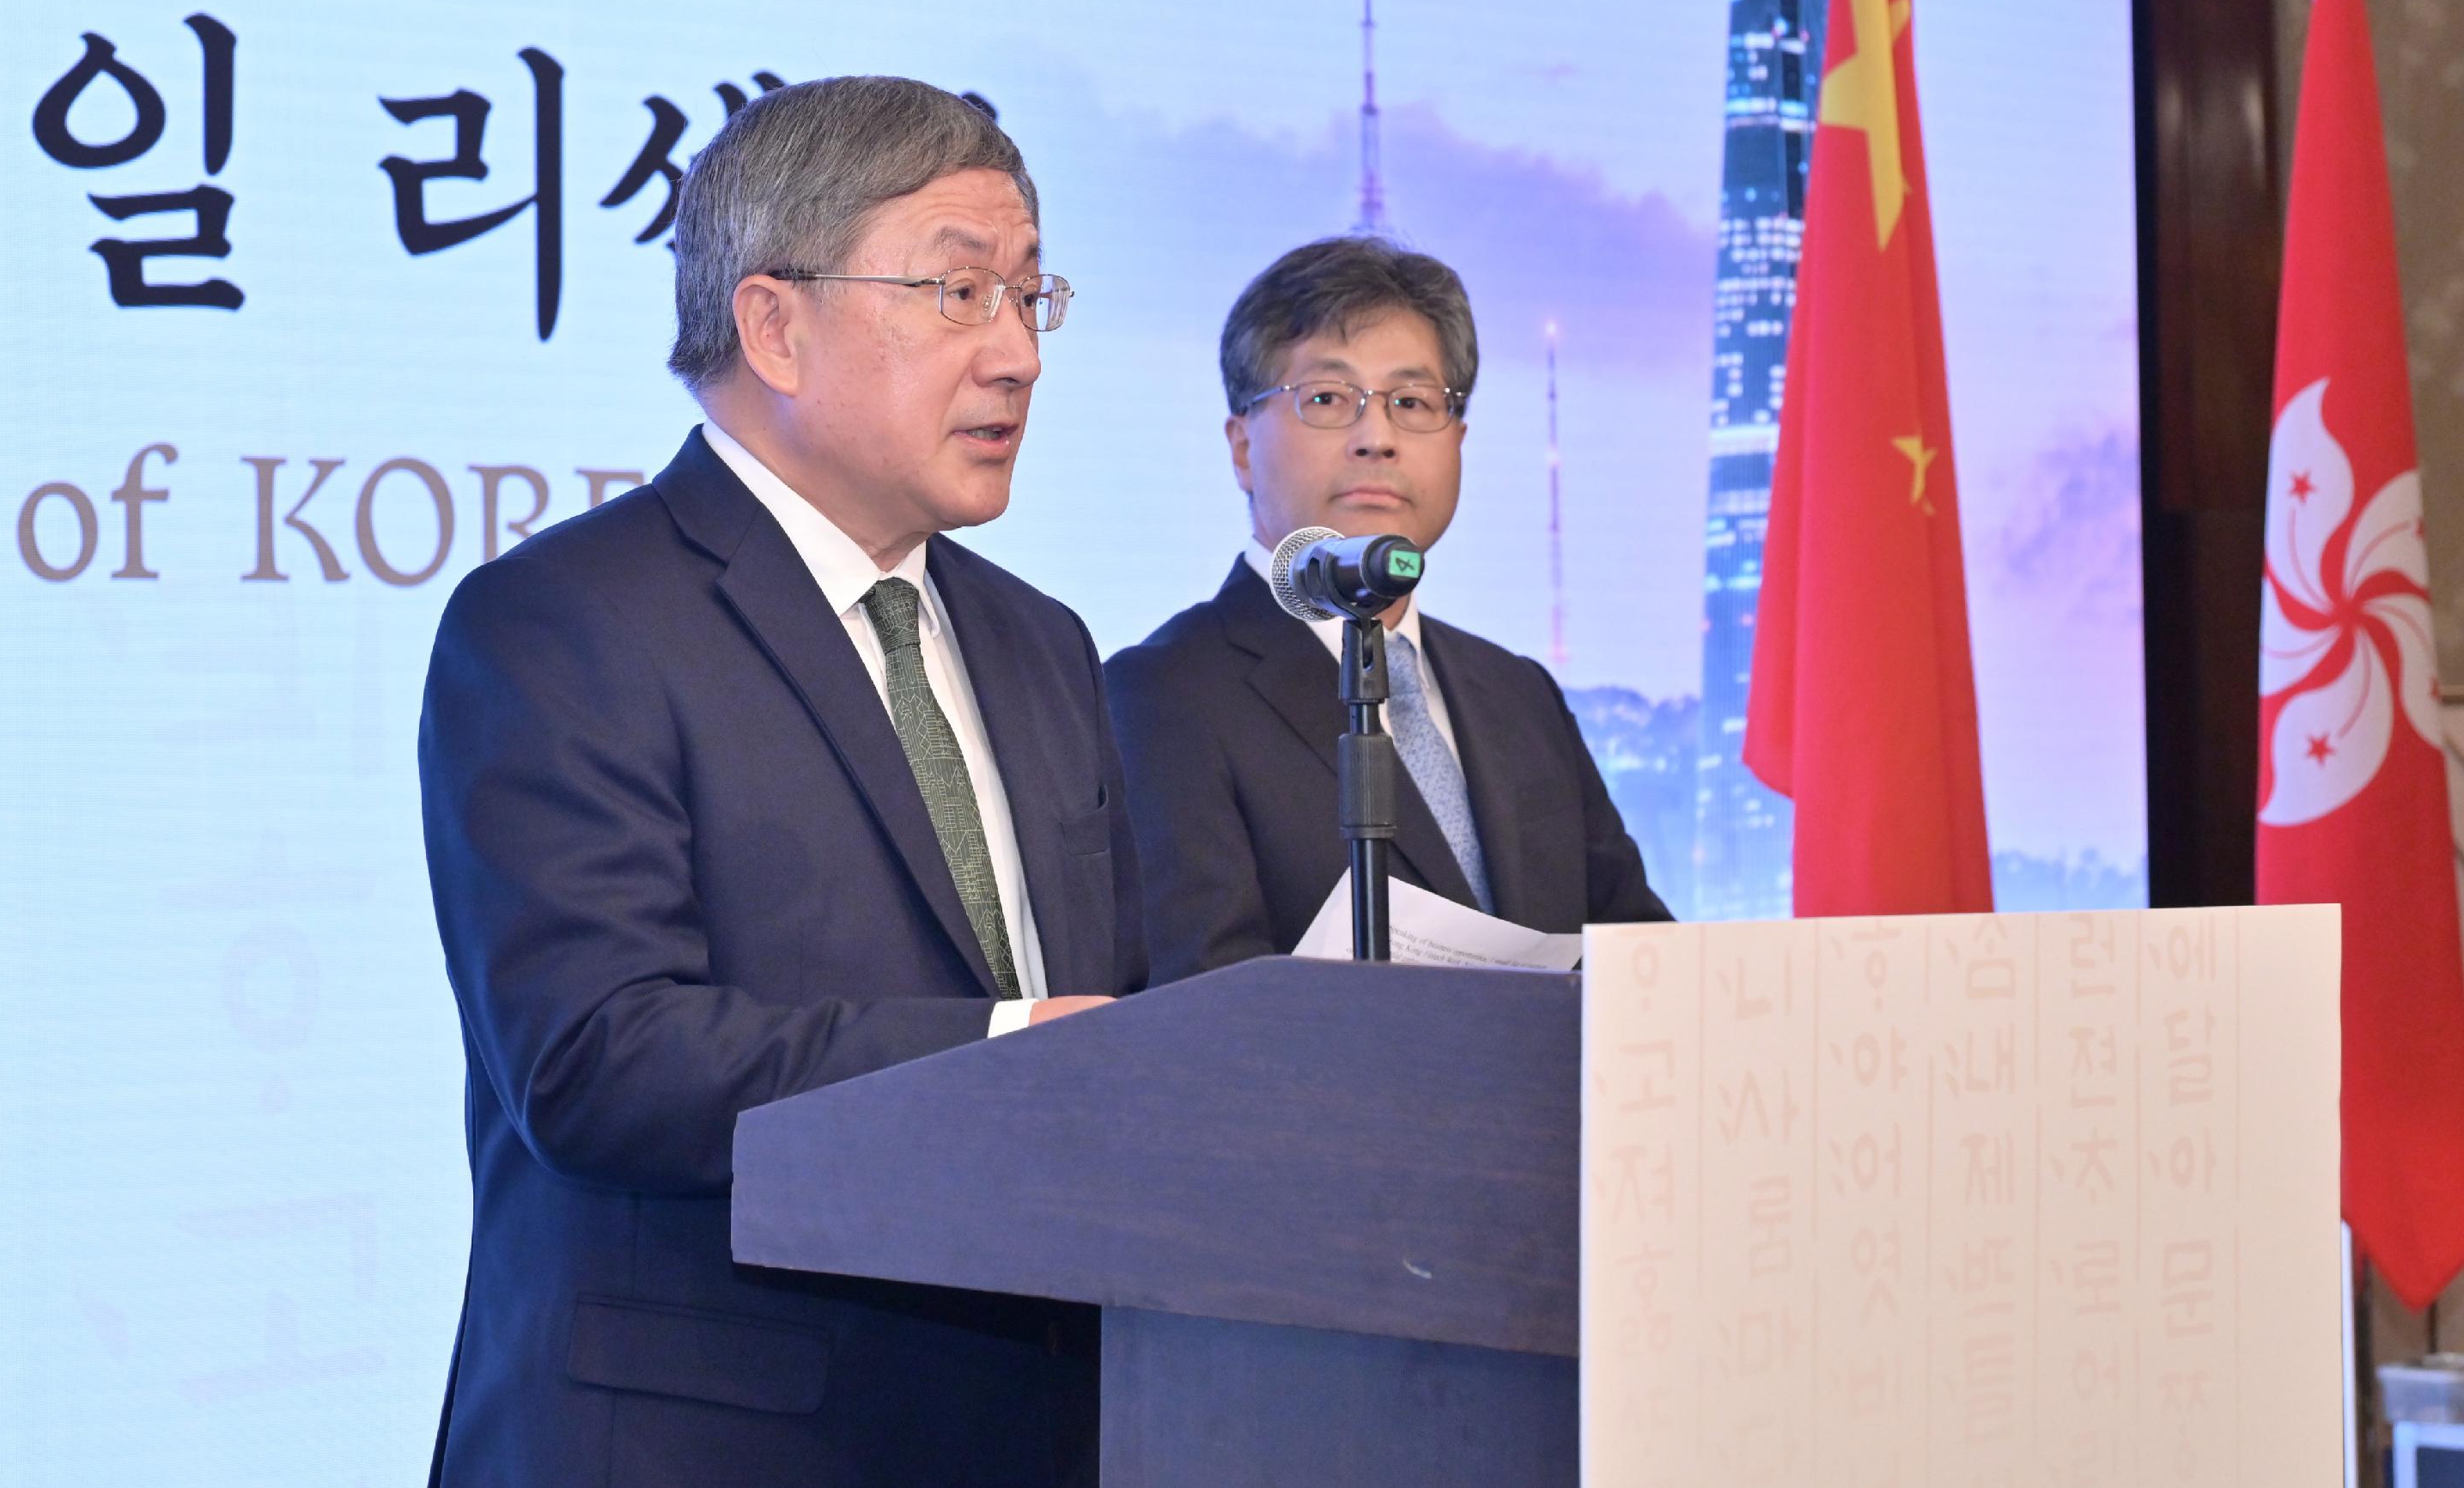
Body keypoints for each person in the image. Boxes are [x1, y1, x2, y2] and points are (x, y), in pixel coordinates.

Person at [417, 76, 1144, 1488]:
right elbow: (595, 1059)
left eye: (1030, 297)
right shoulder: (566, 619)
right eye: (958, 291)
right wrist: (1012, 1050)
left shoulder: (1042, 642)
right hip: (703, 1441)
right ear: (776, 323)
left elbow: (1131, 1010)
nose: (1017, 355)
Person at [1104, 236, 1669, 983]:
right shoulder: (1163, 694)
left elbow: (1640, 960)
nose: (1378, 438)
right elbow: (1201, 1003)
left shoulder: (1519, 695)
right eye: (1329, 400)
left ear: (1458, 440)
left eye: (1412, 402)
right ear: (1241, 444)